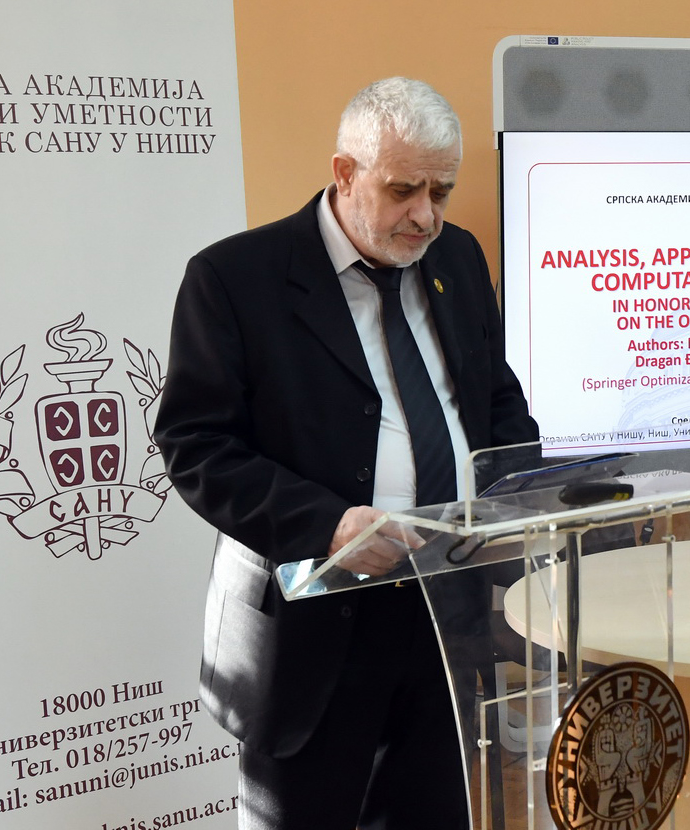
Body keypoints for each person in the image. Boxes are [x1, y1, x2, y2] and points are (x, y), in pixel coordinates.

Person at [154, 77, 539, 830]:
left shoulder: (457, 257)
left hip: (446, 610)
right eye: (403, 190)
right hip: (313, 624)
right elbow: (197, 446)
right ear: (344, 173)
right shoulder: (234, 279)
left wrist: (519, 491)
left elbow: (495, 399)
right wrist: (328, 525)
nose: (426, 215)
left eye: (441, 191)